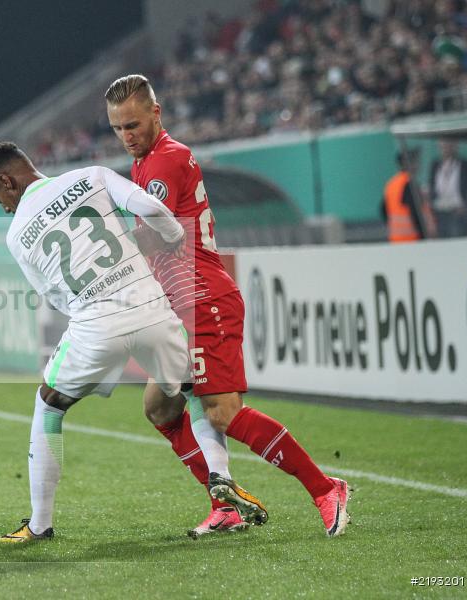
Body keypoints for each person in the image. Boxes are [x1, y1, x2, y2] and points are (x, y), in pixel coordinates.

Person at [0, 142, 267, 543]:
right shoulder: (91, 175)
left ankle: (40, 524)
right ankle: (221, 478)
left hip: (96, 325)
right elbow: (152, 208)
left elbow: (54, 298)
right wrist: (173, 234)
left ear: (7, 181)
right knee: (193, 389)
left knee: (49, 404)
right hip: (152, 310)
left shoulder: (16, 235)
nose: (6, 208)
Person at [105, 74, 350, 538]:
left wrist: (100, 249)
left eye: (132, 125)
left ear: (156, 113)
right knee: (160, 407)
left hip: (203, 299)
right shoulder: (147, 162)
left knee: (221, 411)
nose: (126, 136)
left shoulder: (163, 162)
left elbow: (157, 235)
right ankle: (226, 505)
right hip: (180, 304)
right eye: (117, 128)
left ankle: (325, 488)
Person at [429, 139, 467, 238]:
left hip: (458, 213)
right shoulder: (435, 165)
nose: (446, 148)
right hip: (440, 214)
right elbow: (432, 188)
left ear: (456, 146)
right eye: (443, 145)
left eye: (449, 145)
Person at [381, 151, 425, 243]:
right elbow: (415, 212)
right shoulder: (409, 183)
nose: (418, 165)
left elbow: (383, 210)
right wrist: (423, 235)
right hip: (412, 239)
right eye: (416, 162)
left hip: (396, 238)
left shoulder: (391, 183)